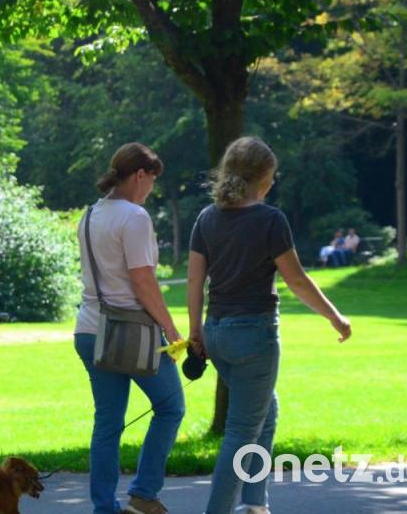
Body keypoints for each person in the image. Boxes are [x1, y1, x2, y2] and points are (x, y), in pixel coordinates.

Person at [187, 137, 352, 514]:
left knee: (267, 410)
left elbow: (195, 281)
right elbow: (297, 281)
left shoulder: (207, 217)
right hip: (254, 337)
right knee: (240, 433)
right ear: (263, 180)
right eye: (272, 177)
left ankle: (255, 504)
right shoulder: (270, 219)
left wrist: (196, 331)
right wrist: (335, 317)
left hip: (216, 334)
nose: (273, 183)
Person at [74, 142, 185, 514]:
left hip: (90, 330)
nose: (151, 189)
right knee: (170, 407)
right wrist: (171, 330)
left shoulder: (90, 215)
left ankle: (104, 507)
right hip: (131, 333)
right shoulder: (135, 217)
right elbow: (143, 281)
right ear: (140, 175)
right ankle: (143, 494)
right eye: (152, 180)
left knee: (107, 423)